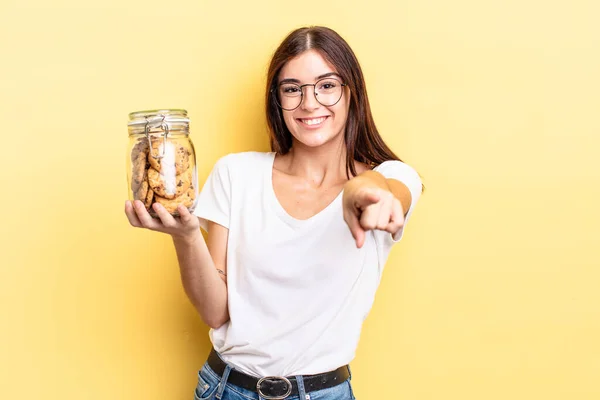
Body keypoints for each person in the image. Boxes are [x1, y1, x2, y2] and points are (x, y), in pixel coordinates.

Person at [125, 26, 423, 400]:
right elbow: (216, 313)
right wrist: (185, 237)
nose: (309, 103)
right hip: (226, 388)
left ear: (352, 94)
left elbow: (381, 190)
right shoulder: (237, 174)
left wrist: (357, 193)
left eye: (327, 85)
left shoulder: (390, 178)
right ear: (277, 99)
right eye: (292, 89)